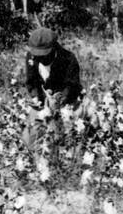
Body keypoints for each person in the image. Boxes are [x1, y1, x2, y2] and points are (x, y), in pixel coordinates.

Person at [22, 27, 82, 159]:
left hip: (66, 102)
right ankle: (40, 161)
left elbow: (72, 86)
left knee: (69, 137)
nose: (40, 58)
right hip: (43, 103)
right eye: (37, 55)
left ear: (54, 48)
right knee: (29, 138)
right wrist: (37, 98)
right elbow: (31, 83)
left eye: (43, 55)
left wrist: (60, 99)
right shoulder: (31, 58)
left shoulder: (68, 59)